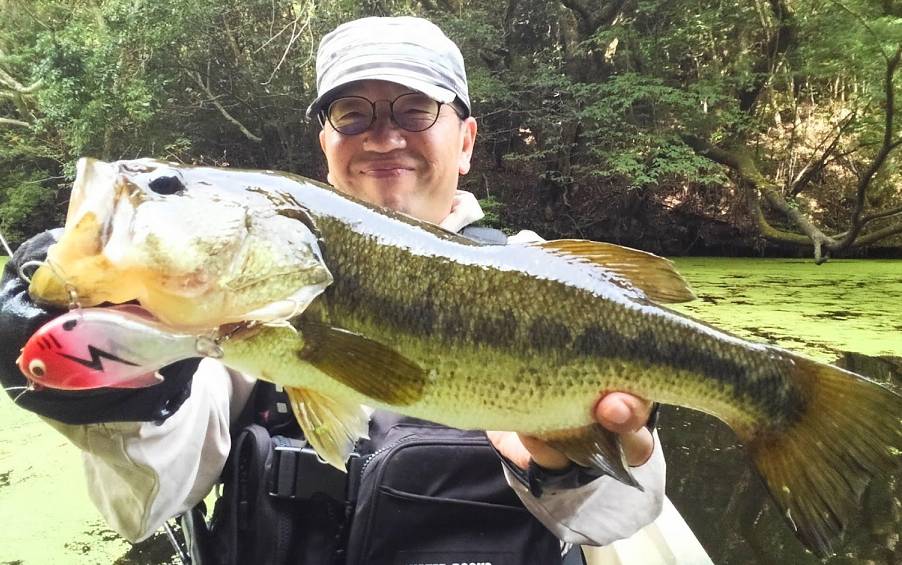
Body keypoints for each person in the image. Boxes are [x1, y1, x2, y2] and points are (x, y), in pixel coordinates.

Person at [0, 16, 664, 565]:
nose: (385, 134)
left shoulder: (545, 282)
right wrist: (113, 386)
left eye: (415, 107)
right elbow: (140, 507)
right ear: (326, 143)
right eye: (353, 112)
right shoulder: (241, 302)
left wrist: (566, 467)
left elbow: (621, 513)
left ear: (465, 140)